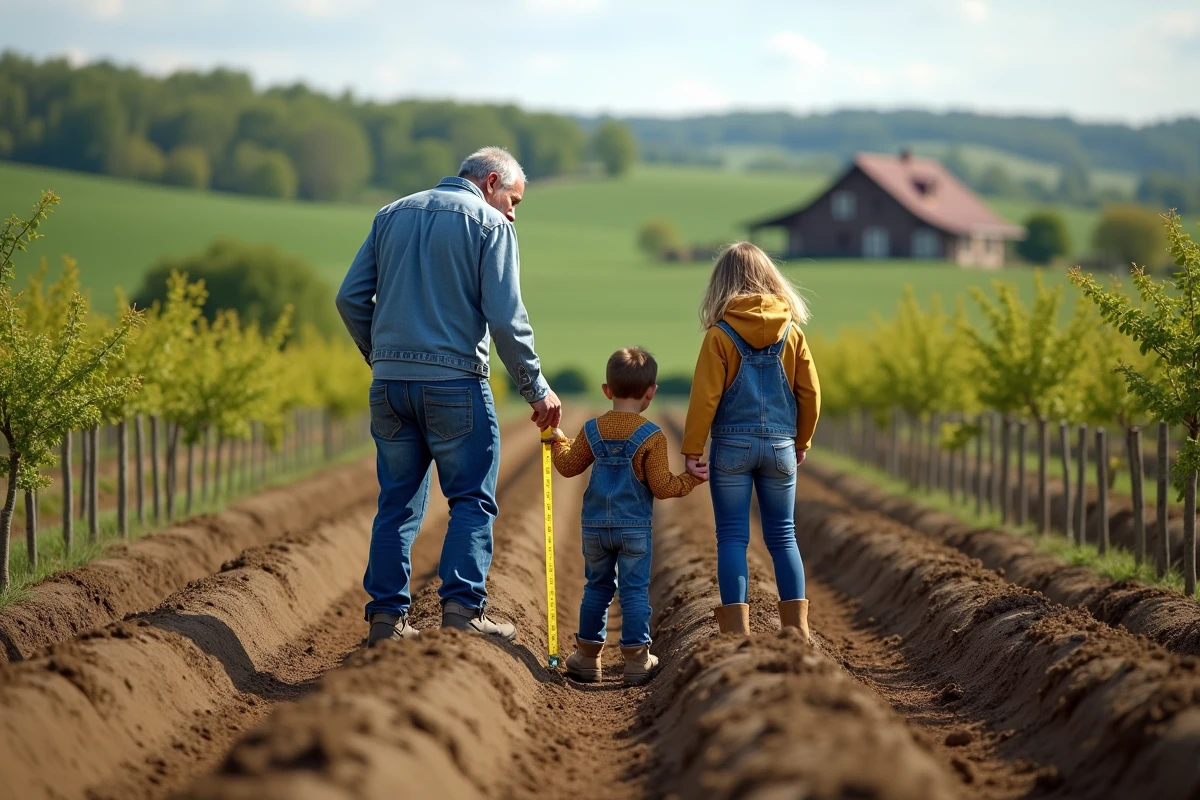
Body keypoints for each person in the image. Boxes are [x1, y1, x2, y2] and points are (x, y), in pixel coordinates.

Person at [336, 146, 562, 646]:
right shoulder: (491, 226)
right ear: (491, 181)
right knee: (471, 499)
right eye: (514, 200)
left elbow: (349, 297)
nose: (513, 212)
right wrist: (536, 389)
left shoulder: (390, 214)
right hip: (455, 383)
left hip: (389, 386)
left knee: (396, 504)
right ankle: (463, 612)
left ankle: (386, 621)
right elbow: (506, 320)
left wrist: (381, 355)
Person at [681, 242, 820, 641]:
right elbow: (810, 393)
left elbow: (705, 397)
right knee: (783, 536)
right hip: (780, 447)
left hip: (732, 448)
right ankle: (797, 630)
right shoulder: (792, 333)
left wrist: (692, 449)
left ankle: (736, 634)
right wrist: (802, 440)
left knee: (731, 537)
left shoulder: (719, 336)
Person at [547, 347, 707, 685]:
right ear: (651, 392)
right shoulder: (652, 436)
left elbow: (568, 466)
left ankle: (587, 657)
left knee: (596, 587)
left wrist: (559, 443)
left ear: (607, 390)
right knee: (634, 590)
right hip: (634, 528)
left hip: (594, 528)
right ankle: (637, 659)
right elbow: (662, 487)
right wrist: (691, 479)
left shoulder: (592, 429)